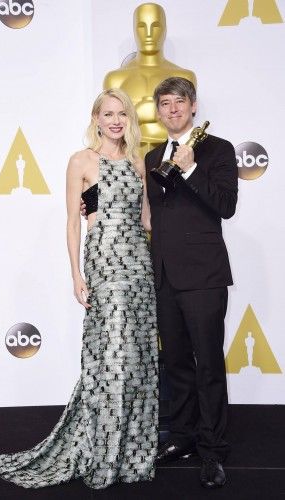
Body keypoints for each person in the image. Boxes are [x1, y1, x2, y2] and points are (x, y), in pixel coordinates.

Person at [0, 89, 159, 489]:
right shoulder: (81, 161)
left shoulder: (138, 162)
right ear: (95, 117)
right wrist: (76, 274)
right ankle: (103, 450)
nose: (115, 121)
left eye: (122, 114)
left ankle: (132, 451)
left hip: (138, 266)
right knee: (110, 357)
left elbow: (147, 218)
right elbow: (74, 222)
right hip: (104, 263)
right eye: (108, 114)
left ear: (130, 120)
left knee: (137, 357)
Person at [146, 77, 238, 489]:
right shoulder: (150, 157)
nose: (172, 109)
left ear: (193, 105)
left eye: (178, 102)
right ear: (159, 111)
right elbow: (151, 215)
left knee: (208, 366)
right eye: (164, 103)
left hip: (203, 276)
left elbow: (226, 206)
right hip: (163, 275)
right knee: (178, 364)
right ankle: (182, 437)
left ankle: (213, 450)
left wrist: (192, 167)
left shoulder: (217, 150)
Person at [103, 2, 196, 155]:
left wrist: (143, 111)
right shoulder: (115, 79)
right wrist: (138, 111)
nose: (148, 33)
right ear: (134, 30)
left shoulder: (185, 76)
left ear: (165, 29)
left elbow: (186, 121)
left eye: (156, 26)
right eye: (141, 26)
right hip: (128, 157)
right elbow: (109, 123)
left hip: (173, 159)